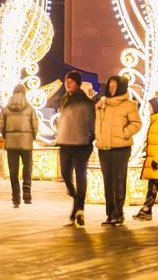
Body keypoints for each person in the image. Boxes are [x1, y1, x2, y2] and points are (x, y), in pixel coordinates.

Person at [94, 75, 142, 226]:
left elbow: (136, 124)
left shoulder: (128, 105)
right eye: (110, 86)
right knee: (108, 181)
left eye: (114, 86)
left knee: (119, 180)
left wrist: (123, 133)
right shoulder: (104, 104)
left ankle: (118, 213)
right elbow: (97, 122)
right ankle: (110, 214)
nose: (112, 89)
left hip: (121, 148)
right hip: (104, 148)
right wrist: (98, 136)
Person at [57, 70, 96, 226]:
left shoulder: (86, 102)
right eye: (66, 80)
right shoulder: (64, 99)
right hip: (65, 143)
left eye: (71, 81)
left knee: (80, 176)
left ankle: (79, 209)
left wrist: (90, 138)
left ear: (78, 84)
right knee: (66, 174)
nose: (67, 83)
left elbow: (91, 123)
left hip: (82, 144)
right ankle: (76, 197)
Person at [0, 83, 38, 208]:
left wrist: (7, 136)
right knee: (27, 165)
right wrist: (32, 137)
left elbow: (1, 126)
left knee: (13, 170)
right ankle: (26, 187)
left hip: (11, 144)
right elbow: (35, 126)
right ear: (24, 94)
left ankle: (15, 197)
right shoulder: (30, 108)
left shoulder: (6, 109)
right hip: (26, 142)